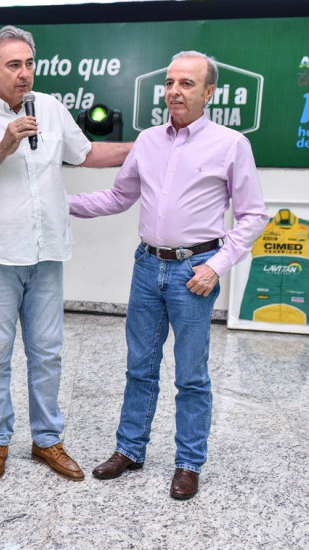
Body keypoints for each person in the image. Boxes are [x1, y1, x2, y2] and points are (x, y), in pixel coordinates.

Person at [69, 51, 267, 499]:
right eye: (171, 82)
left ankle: (188, 463)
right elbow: (119, 197)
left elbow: (253, 216)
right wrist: (60, 205)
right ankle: (130, 449)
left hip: (194, 273)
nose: (175, 91)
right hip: (146, 268)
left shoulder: (231, 144)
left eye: (187, 84)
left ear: (209, 92)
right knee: (139, 368)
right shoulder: (148, 141)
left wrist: (215, 267)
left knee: (191, 376)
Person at [0, 25, 132, 482]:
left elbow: (85, 154)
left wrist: (148, 145)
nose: (24, 73)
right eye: (13, 65)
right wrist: (5, 144)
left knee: (47, 353)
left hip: (47, 255)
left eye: (28, 63)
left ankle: (47, 440)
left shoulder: (49, 107)